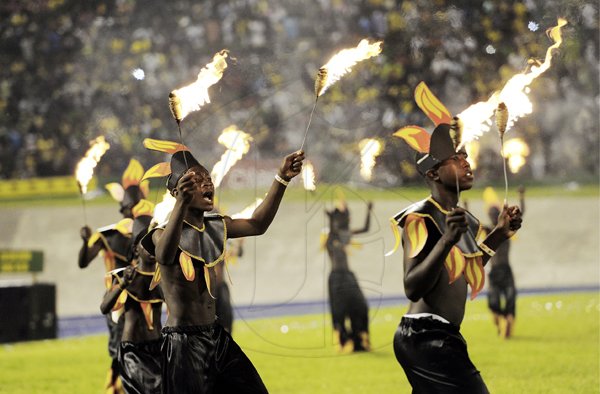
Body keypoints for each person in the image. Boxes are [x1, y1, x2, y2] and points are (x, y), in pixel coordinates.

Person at [140, 138, 304, 394]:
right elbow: (164, 255)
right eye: (196, 179)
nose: (207, 182)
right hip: (183, 344)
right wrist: (180, 206)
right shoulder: (161, 233)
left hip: (216, 336)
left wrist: (282, 178)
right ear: (177, 191)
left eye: (208, 177)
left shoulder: (216, 225)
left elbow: (257, 225)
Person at [391, 83, 523, 393]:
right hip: (424, 336)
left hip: (444, 336)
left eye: (465, 156)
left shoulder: (467, 219)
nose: (466, 162)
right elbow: (412, 286)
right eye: (455, 159)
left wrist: (500, 234)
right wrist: (446, 240)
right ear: (433, 174)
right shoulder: (420, 216)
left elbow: (464, 267)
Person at [78, 158, 147, 394]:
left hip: (144, 298)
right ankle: (116, 388)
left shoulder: (150, 232)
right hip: (118, 299)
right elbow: (84, 261)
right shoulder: (108, 234)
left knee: (147, 346)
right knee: (120, 347)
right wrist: (84, 241)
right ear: (124, 208)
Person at [100, 199, 164, 394]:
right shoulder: (124, 276)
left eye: (155, 245)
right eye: (147, 245)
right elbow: (105, 307)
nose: (152, 251)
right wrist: (122, 285)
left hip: (159, 348)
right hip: (133, 351)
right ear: (136, 249)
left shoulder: (162, 279)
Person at [324, 194, 372, 352]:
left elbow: (365, 229)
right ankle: (343, 341)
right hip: (336, 278)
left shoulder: (345, 235)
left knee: (360, 306)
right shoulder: (331, 237)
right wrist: (331, 219)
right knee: (339, 311)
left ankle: (360, 340)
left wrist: (369, 211)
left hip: (348, 276)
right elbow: (333, 233)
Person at [483, 186, 525, 339]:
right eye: (491, 213)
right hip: (494, 271)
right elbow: (470, 227)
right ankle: (501, 321)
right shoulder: (488, 231)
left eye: (496, 212)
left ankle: (507, 323)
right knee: (493, 302)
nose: (493, 215)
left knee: (510, 300)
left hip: (505, 269)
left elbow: (521, 215)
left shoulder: (507, 229)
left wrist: (521, 197)